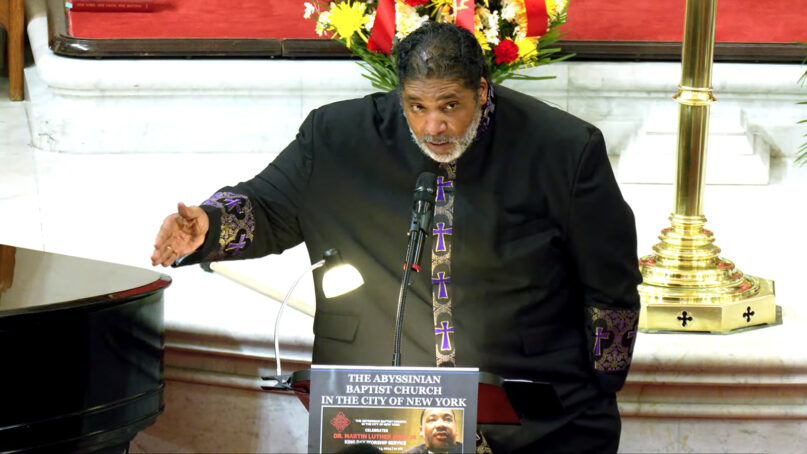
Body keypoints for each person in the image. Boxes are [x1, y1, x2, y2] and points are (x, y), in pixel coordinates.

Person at [151, 22, 641, 453]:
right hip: (378, 419)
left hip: (530, 422)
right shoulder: (337, 137)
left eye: (451, 105)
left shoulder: (561, 149)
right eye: (416, 106)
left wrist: (601, 386)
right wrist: (210, 227)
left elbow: (610, 279)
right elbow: (269, 205)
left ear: (484, 91)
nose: (434, 126)